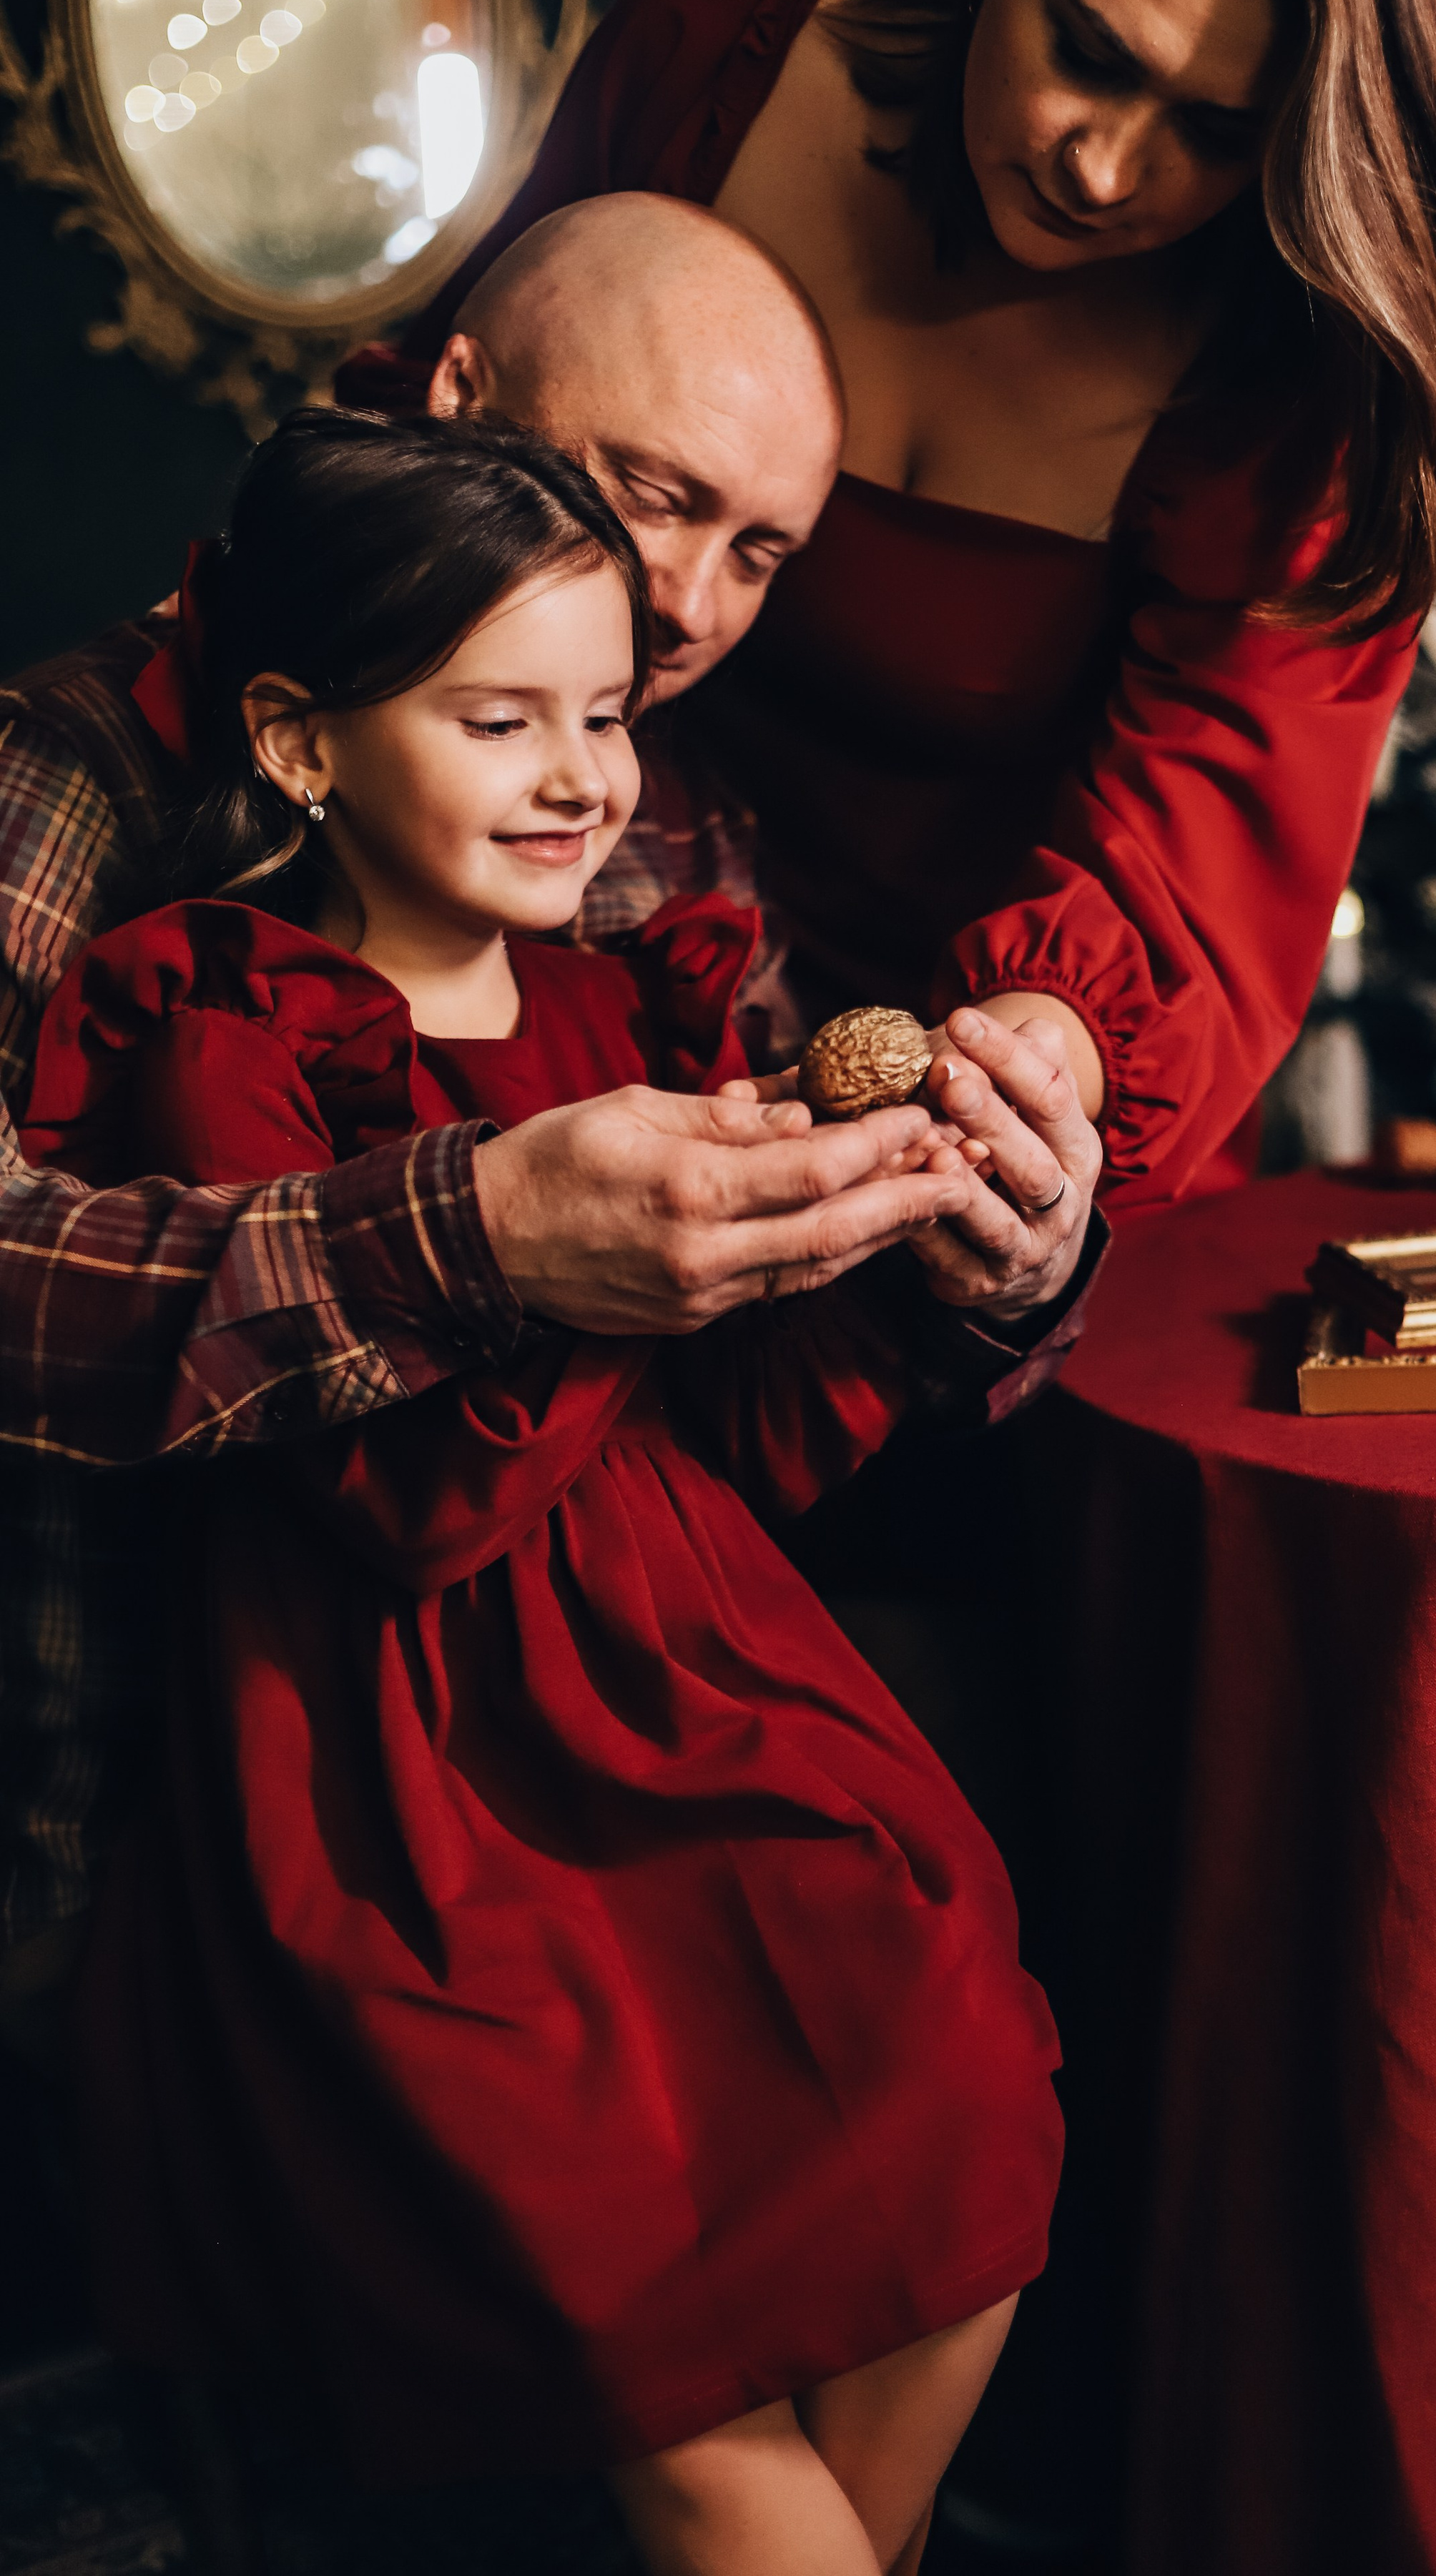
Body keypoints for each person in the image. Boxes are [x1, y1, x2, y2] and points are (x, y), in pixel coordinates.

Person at [24, 407, 1095, 2576]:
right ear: (303, 745)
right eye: (500, 716)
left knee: (976, 2100)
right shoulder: (230, 1029)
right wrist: (557, 1246)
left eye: (605, 712)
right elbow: (409, 1509)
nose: (586, 774)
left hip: (699, 1692)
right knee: (662, 2350)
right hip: (416, 1780)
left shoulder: (638, 999)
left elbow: (737, 1451)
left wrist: (902, 1255)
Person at [0, 194, 1088, 2051]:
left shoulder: (658, 849)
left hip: (595, 1742)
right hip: (138, 1790)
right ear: (455, 400)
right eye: (654, 494)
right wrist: (470, 1239)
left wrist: (974, 1246)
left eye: (761, 554)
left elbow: (753, 1369)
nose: (687, 608)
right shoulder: (77, 775)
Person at [365, 0, 1436, 1208]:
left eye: (1218, 133)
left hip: (991, 1101)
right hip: (544, 985)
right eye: (1090, 51)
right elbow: (444, 467)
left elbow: (1194, 882)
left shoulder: (1297, 380)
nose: (1105, 170)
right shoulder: (717, 49)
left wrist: (985, 1102)